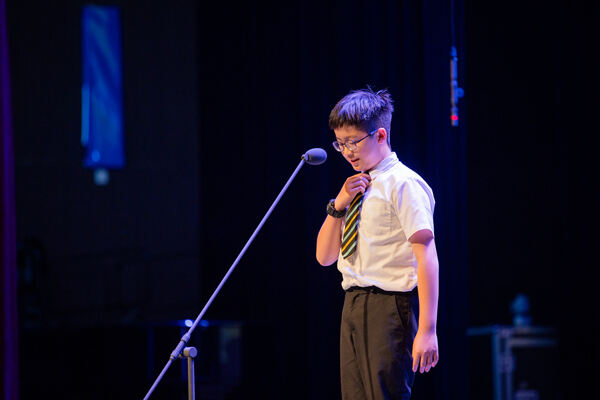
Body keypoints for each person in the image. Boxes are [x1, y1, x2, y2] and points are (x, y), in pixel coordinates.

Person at [316, 87, 439, 399]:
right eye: (340, 143)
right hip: (353, 303)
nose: (347, 151)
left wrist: (428, 329)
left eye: (353, 141)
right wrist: (338, 205)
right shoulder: (355, 188)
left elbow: (426, 253)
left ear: (380, 135)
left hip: (389, 306)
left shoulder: (403, 183)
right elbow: (325, 257)